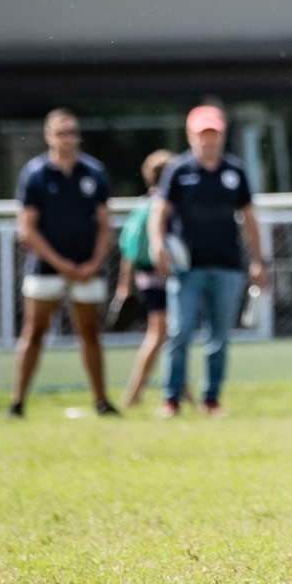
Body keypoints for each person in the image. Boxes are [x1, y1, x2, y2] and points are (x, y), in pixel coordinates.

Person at [151, 106, 268, 418]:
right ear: (191, 136)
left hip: (227, 266)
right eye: (203, 134)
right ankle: (171, 399)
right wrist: (158, 244)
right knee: (180, 333)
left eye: (214, 134)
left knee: (219, 338)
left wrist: (258, 260)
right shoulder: (178, 170)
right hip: (186, 269)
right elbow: (160, 212)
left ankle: (211, 399)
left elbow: (249, 217)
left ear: (222, 135)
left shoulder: (235, 171)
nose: (209, 140)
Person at [9, 108, 116, 418]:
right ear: (49, 136)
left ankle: (101, 401)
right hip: (45, 267)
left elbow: (104, 224)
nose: (67, 138)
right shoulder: (35, 174)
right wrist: (61, 263)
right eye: (60, 133)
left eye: (71, 132)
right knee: (34, 332)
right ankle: (18, 403)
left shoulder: (94, 172)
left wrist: (94, 262)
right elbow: (27, 228)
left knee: (90, 332)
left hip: (87, 268)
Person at [110, 150, 175, 411]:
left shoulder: (142, 203)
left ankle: (181, 392)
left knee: (167, 336)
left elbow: (128, 251)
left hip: (144, 278)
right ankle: (134, 393)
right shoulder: (164, 204)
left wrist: (124, 285)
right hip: (163, 278)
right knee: (158, 335)